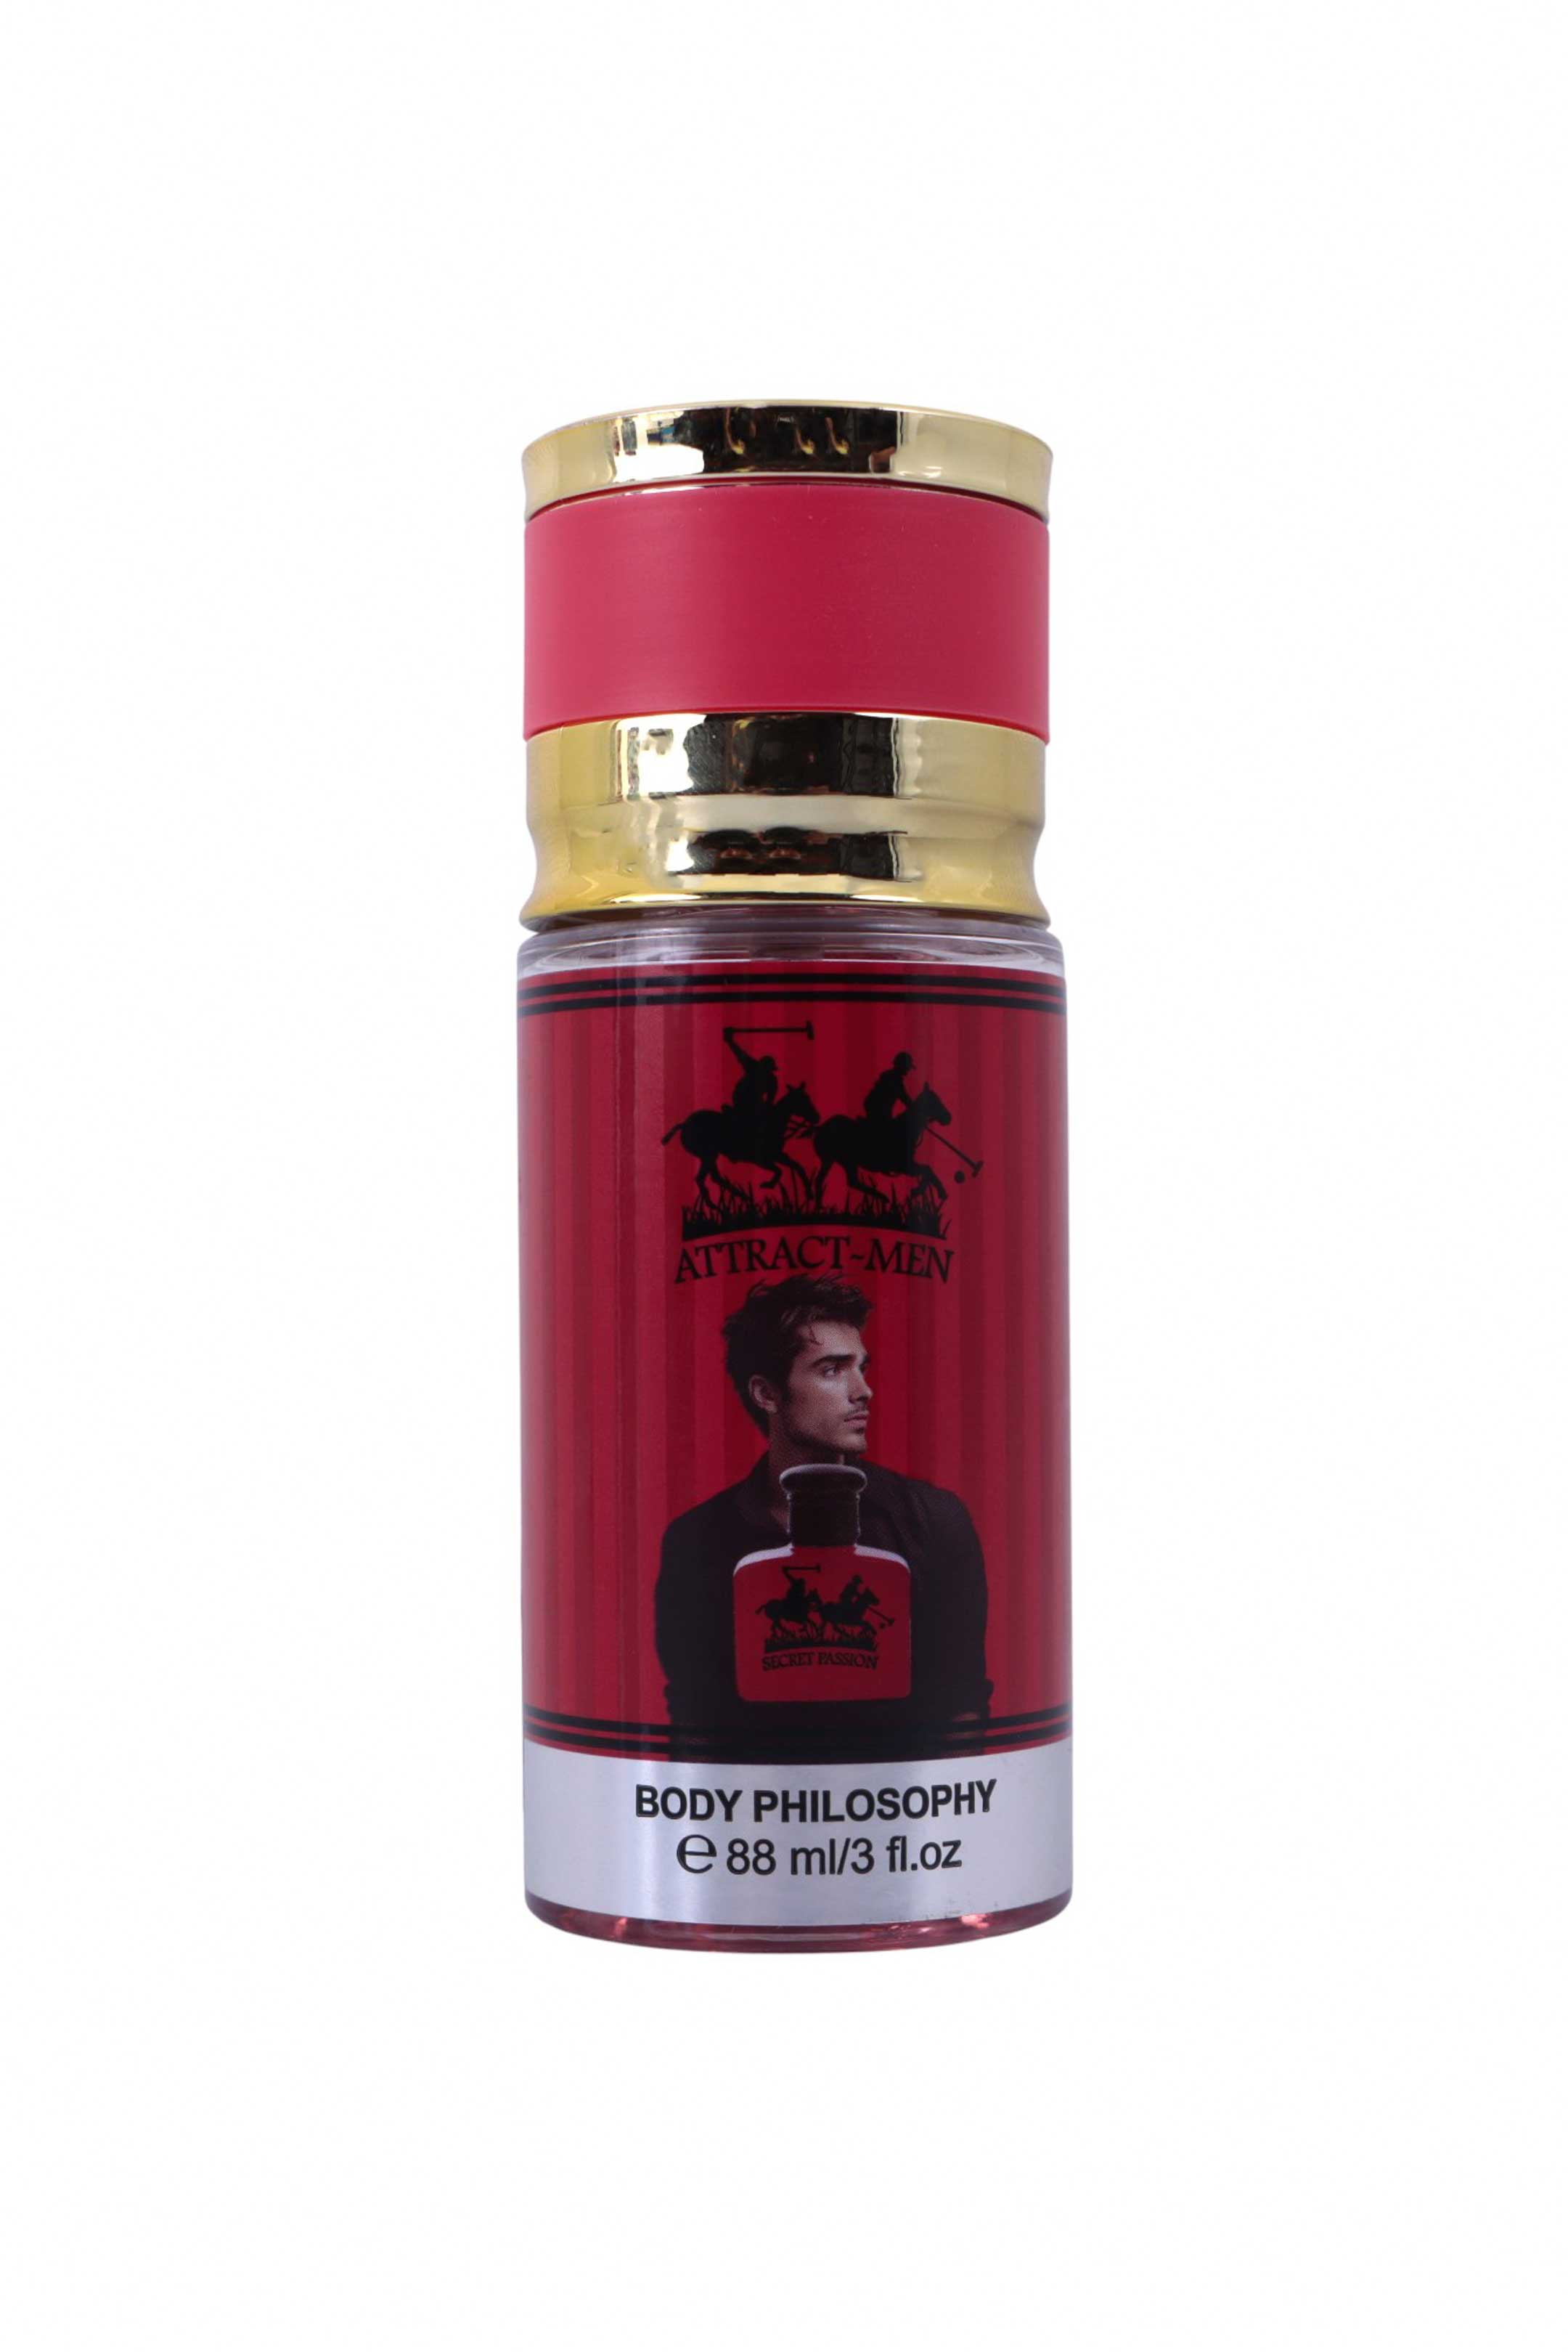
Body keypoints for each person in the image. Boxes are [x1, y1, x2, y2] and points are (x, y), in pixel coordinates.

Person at [655, 1274, 990, 1730]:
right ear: (767, 1393)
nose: (863, 1390)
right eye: (832, 1370)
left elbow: (963, 1706)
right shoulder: (695, 1541)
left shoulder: (934, 1521)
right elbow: (693, 1720)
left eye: (861, 1367)